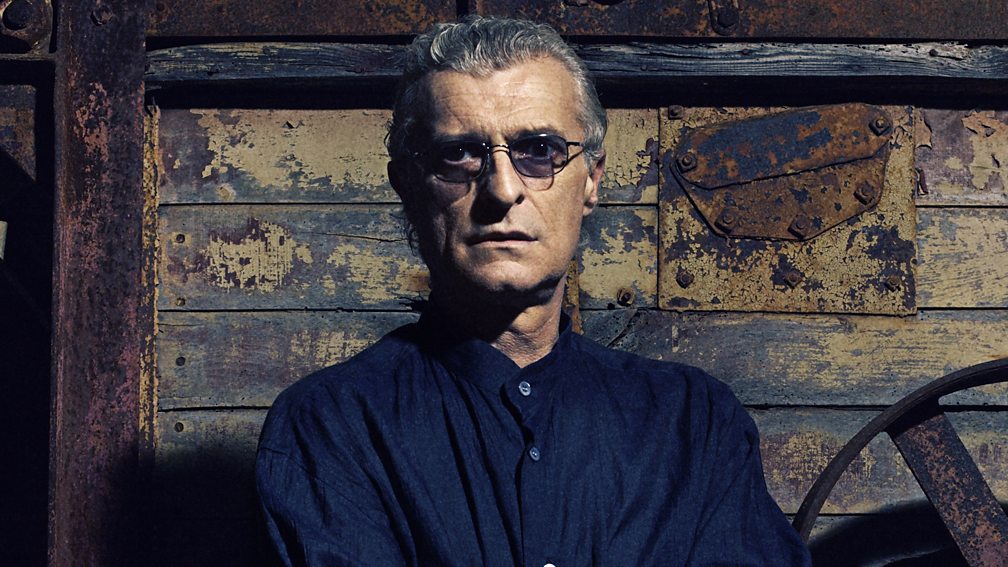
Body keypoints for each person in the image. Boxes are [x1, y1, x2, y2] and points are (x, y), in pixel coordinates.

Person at [256, 16, 811, 567]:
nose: (502, 189)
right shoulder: (329, 425)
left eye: (539, 150)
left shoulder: (695, 424)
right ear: (407, 186)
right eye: (459, 154)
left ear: (590, 180)